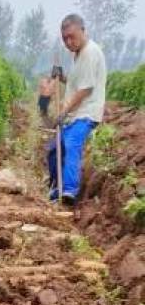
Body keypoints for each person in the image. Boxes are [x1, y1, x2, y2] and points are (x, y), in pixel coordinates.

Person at [47, 14, 106, 206]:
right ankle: (57, 187)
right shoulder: (78, 55)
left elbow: (85, 89)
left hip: (86, 114)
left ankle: (69, 190)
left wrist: (64, 113)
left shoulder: (90, 53)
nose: (68, 42)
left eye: (71, 36)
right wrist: (62, 76)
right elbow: (75, 83)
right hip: (75, 114)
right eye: (65, 39)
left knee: (71, 145)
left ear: (83, 30)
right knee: (54, 150)